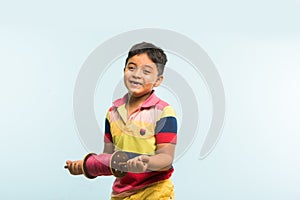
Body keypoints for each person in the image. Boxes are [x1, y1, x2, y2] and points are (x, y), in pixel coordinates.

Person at [65, 42, 177, 199]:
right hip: (121, 194)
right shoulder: (112, 113)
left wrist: (148, 162)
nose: (137, 74)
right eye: (132, 68)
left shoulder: (164, 112)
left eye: (146, 71)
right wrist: (84, 166)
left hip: (155, 191)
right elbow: (109, 159)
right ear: (124, 70)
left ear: (158, 80)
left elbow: (166, 159)